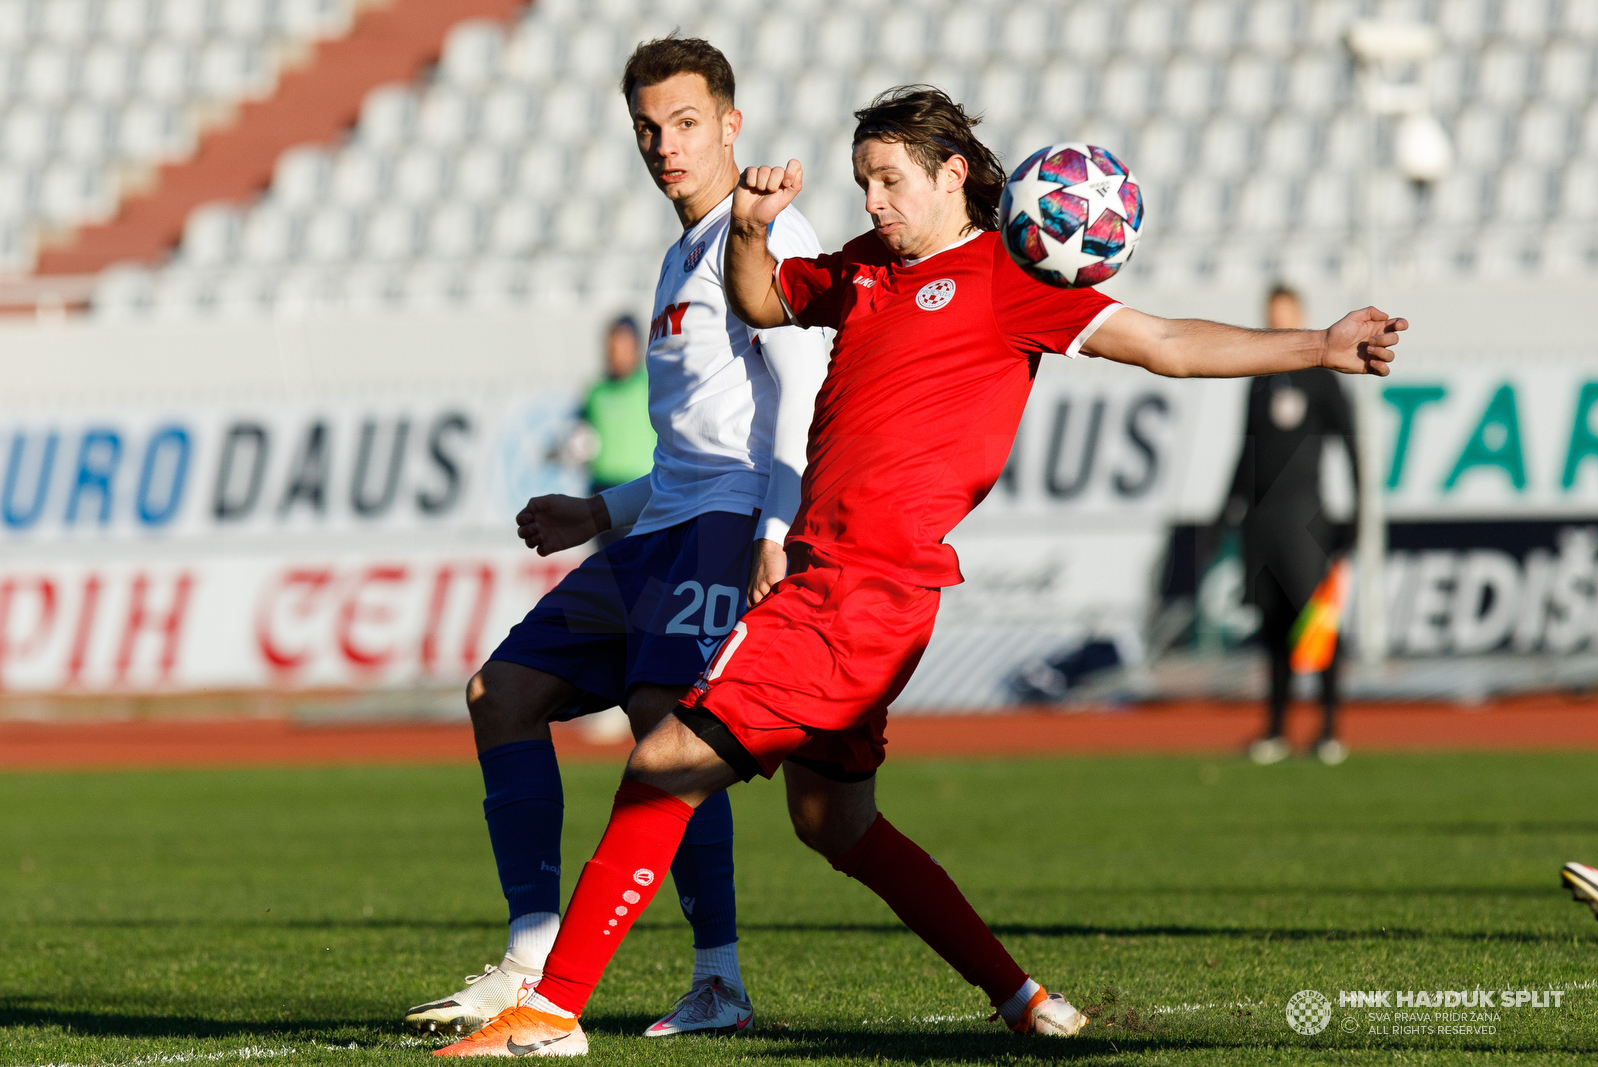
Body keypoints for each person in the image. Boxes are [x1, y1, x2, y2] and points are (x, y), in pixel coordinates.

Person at [434, 85, 1405, 1058]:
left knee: (662, 763)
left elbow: (1162, 343)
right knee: (833, 820)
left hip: (857, 587)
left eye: (891, 180)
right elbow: (762, 299)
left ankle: (548, 1013)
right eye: (863, 182)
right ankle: (1019, 994)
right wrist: (751, 231)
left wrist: (1317, 346)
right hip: (846, 582)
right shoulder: (863, 268)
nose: (875, 201)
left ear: (953, 175)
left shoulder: (1006, 277)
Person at [404, 36, 830, 1040]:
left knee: (660, 715)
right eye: (648, 126)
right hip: (659, 527)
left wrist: (777, 529)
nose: (664, 144)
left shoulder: (768, 231)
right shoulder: (679, 251)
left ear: (731, 123)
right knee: (499, 692)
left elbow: (802, 393)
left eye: (686, 123)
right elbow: (697, 440)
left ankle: (718, 976)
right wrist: (600, 513)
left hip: (728, 525)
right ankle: (528, 955)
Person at [1222, 285, 1360, 767]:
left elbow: (1351, 442)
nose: (1277, 320)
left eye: (1285, 314)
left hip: (1306, 517)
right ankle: (1277, 729)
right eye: (1270, 313)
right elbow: (1246, 451)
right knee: (1272, 626)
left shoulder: (1321, 377)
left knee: (1316, 625)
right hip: (1262, 521)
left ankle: (1328, 729)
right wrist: (1227, 512)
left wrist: (1358, 514)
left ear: (1300, 315)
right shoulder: (1257, 378)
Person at [581, 315, 654, 495]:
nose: (616, 355)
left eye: (623, 348)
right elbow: (581, 433)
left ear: (636, 348)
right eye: (612, 347)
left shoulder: (651, 386)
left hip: (641, 487)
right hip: (601, 486)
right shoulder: (595, 392)